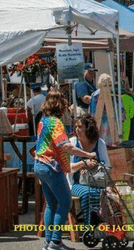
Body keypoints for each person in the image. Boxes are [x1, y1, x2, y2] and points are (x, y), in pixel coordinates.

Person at [35, 90, 97, 250]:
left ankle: (49, 242)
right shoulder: (55, 123)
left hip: (39, 164)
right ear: (59, 104)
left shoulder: (43, 120)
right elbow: (67, 146)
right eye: (63, 101)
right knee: (65, 202)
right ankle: (55, 241)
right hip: (51, 166)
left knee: (51, 204)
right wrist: (87, 154)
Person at [69, 115, 110, 222]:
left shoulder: (100, 143)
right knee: (88, 193)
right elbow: (66, 168)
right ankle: (91, 226)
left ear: (88, 128)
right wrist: (82, 164)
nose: (76, 129)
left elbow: (107, 166)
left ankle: (99, 225)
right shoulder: (72, 143)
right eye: (76, 127)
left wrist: (95, 165)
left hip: (96, 182)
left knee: (103, 193)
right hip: (76, 183)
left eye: (80, 127)